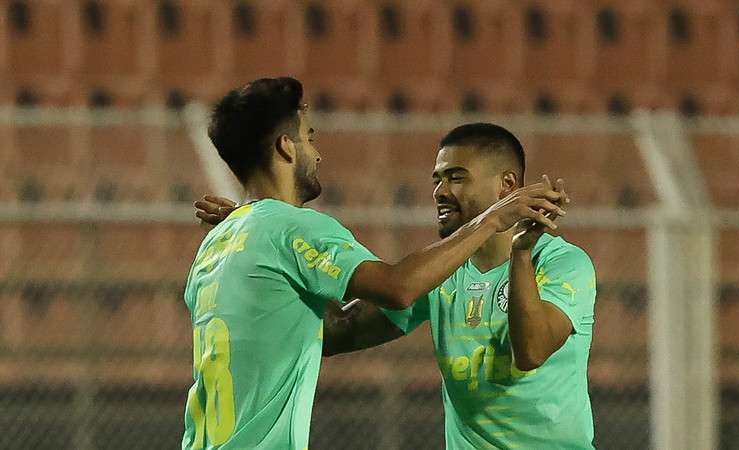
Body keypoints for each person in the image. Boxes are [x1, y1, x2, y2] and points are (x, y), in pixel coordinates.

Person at [183, 78, 566, 450]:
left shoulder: (223, 240)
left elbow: (325, 331)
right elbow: (398, 288)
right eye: (309, 138)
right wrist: (494, 218)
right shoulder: (291, 226)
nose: (317, 154)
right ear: (286, 148)